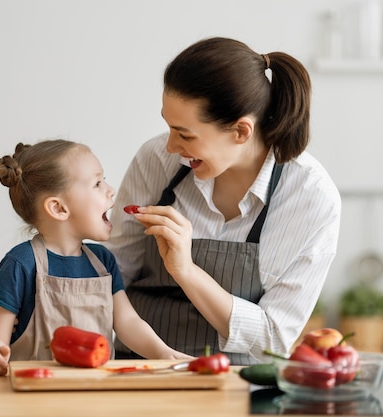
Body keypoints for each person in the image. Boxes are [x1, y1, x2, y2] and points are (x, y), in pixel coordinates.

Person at [105, 37, 342, 365]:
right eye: (169, 127)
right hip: (139, 368)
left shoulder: (309, 196)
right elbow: (110, 278)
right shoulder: (156, 160)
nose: (171, 146)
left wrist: (185, 270)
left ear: (241, 132)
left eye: (185, 135)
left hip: (240, 386)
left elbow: (273, 337)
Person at [0, 140, 191, 376]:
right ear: (59, 208)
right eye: (97, 183)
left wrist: (161, 352)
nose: (111, 190)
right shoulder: (21, 263)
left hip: (95, 390)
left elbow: (127, 322)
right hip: (35, 393)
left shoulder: (103, 262)